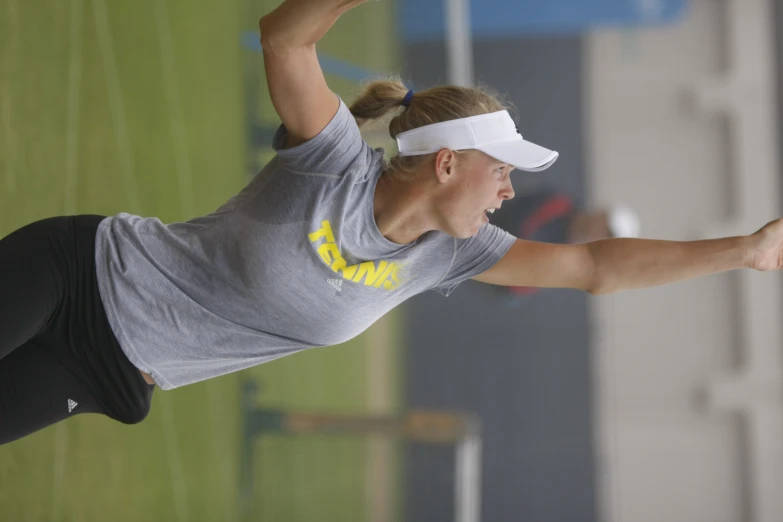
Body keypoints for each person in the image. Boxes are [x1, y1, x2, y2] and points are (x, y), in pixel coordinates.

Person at [1, 0, 782, 446]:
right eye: (501, 167)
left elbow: (594, 269)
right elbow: (286, 37)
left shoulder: (453, 256)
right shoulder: (331, 161)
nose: (509, 190)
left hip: (106, 370)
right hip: (81, 270)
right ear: (445, 162)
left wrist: (745, 251)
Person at [488, 188, 641, 301]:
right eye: (606, 230)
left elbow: (520, 286)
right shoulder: (556, 204)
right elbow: (506, 210)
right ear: (601, 214)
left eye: (608, 238)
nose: (600, 234)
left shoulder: (572, 264)